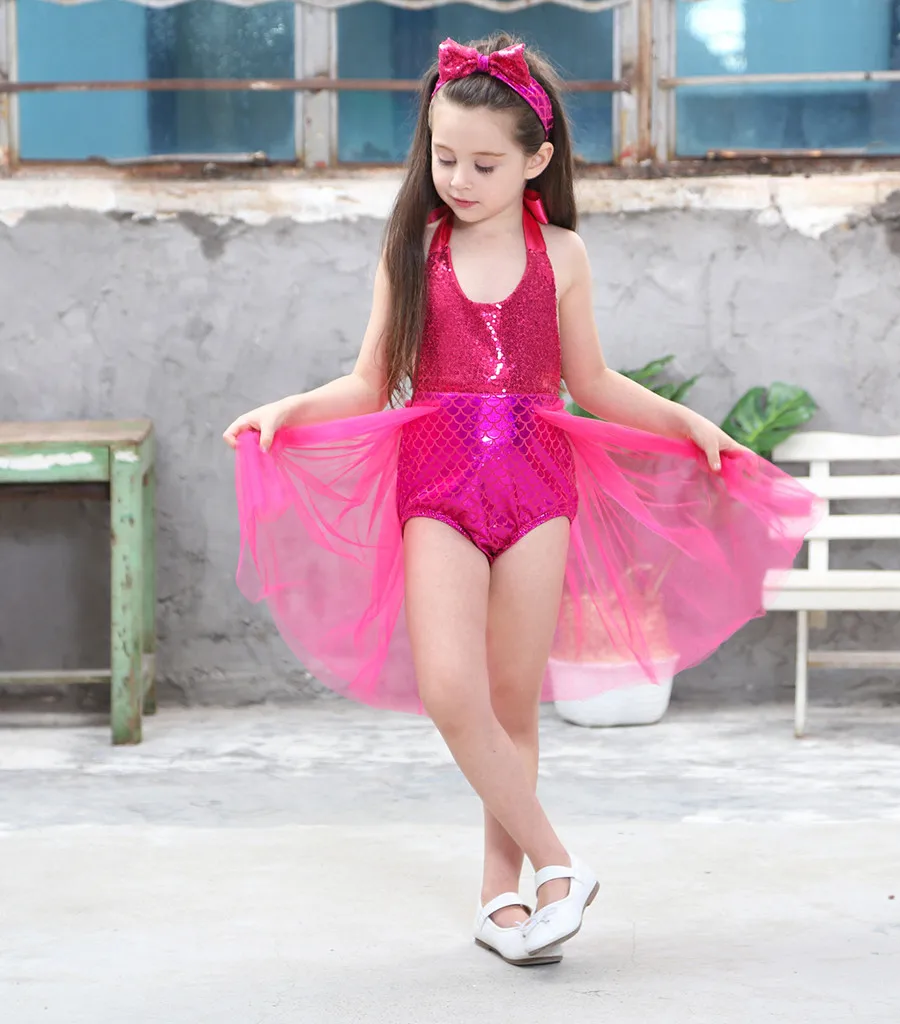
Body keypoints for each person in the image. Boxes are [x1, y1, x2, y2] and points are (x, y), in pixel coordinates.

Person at [223, 34, 819, 967]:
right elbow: (369, 379)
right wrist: (288, 411)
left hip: (539, 484)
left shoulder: (564, 255)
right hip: (436, 482)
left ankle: (501, 901)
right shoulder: (415, 251)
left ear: (537, 161)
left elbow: (594, 381)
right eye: (444, 157)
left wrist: (688, 424)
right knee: (451, 690)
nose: (459, 179)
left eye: (484, 163)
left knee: (512, 701)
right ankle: (560, 864)